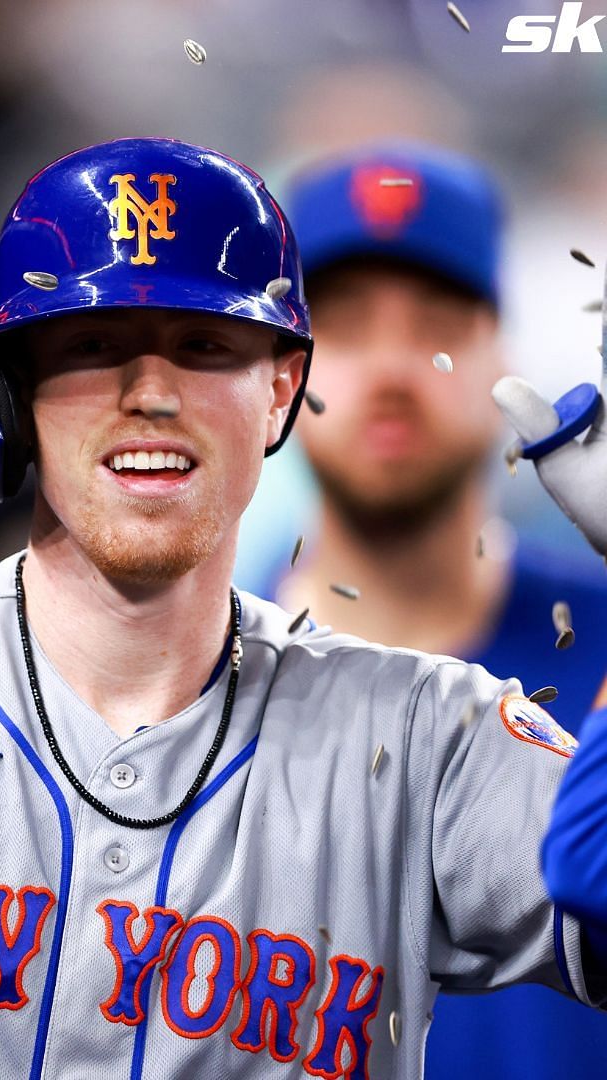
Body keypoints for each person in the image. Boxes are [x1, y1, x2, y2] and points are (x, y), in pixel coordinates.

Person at [0, 137, 607, 1078]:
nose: (151, 394)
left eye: (204, 346)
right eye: (92, 344)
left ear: (282, 388)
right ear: (14, 391)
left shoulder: (426, 740)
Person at [258, 141, 607, 1077]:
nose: (394, 365)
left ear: (505, 346)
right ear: (281, 365)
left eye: (439, 320)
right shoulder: (192, 670)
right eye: (347, 321)